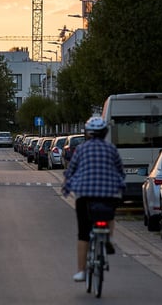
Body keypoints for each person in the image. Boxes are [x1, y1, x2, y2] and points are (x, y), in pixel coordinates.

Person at [62, 115, 125, 283]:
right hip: (108, 194)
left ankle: (81, 272)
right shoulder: (111, 149)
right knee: (109, 215)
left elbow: (71, 170)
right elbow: (120, 171)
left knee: (83, 233)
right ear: (105, 132)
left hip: (85, 195)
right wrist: (121, 186)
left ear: (88, 133)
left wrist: (66, 187)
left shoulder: (81, 149)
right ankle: (109, 239)